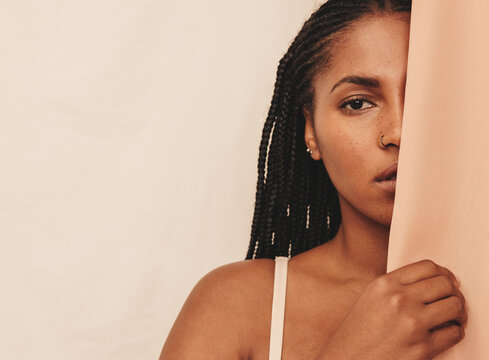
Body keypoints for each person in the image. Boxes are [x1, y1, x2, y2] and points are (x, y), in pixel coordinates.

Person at [160, 1, 468, 359]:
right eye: (357, 103)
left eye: (423, 96)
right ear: (311, 131)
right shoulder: (236, 305)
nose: (398, 132)